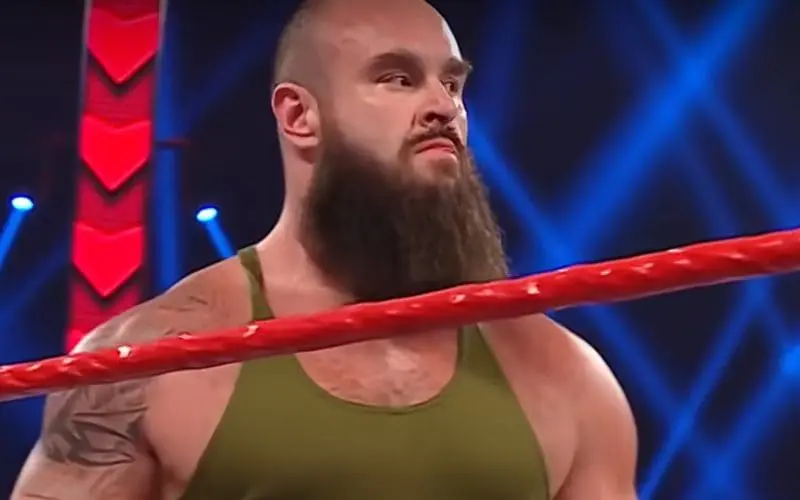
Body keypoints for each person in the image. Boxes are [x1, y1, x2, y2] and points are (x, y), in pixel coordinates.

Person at [12, 0, 638, 498]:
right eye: (397, 78)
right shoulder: (149, 362)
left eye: (452, 84)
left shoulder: (564, 374)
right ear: (298, 116)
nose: (442, 107)